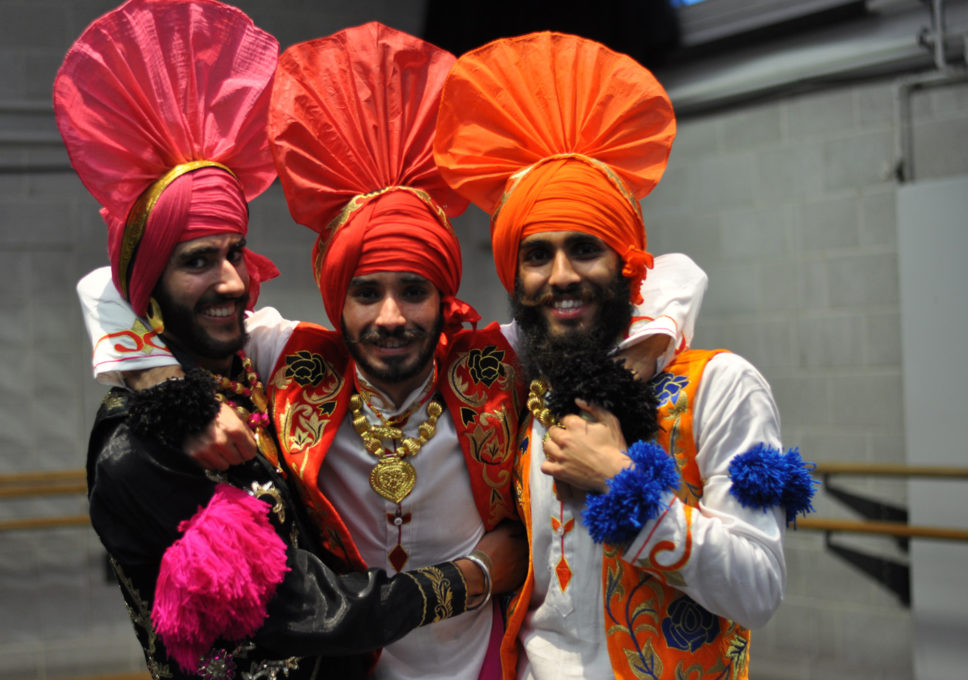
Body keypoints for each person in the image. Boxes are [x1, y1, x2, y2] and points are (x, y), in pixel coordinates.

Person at [76, 22, 706, 680]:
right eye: (365, 293)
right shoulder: (293, 362)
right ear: (333, 300)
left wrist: (641, 350)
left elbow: (667, 274)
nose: (391, 317)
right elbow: (116, 281)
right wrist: (164, 386)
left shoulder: (491, 366)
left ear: (445, 298)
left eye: (414, 291)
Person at [56, 3, 525, 678]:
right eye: (195, 261)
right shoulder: (144, 447)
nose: (228, 282)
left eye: (235, 253)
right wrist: (478, 575)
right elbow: (295, 610)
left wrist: (171, 382)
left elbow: (628, 298)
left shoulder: (253, 368)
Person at [433, 30, 816, 680]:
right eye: (536, 255)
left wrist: (623, 483)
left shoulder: (722, 386)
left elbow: (759, 588)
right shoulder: (527, 386)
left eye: (585, 248)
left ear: (626, 262)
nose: (559, 276)